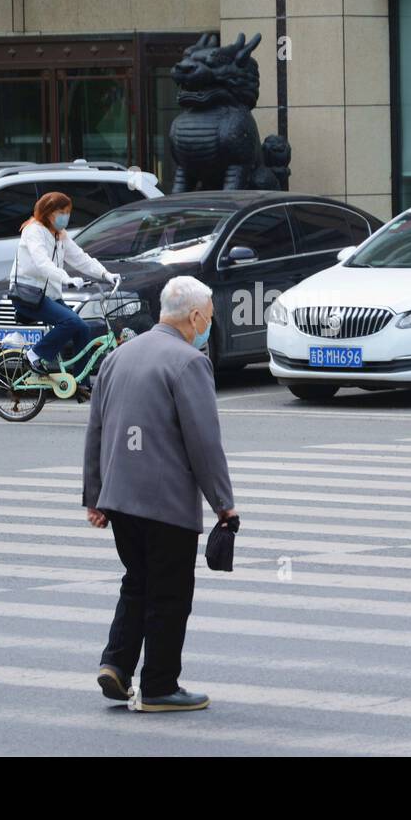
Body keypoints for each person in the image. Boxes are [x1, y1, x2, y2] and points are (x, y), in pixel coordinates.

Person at [83, 275, 237, 712]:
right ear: (193, 317)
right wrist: (224, 505)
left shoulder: (117, 357)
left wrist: (95, 497)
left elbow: (96, 430)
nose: (209, 325)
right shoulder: (188, 362)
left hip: (121, 497)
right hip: (166, 502)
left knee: (138, 581)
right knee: (169, 593)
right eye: (208, 317)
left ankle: (115, 664)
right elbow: (204, 442)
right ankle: (159, 687)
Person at [9, 191, 120, 386]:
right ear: (48, 212)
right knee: (70, 321)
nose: (65, 217)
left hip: (49, 295)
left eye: (68, 212)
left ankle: (80, 383)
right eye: (61, 212)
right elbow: (41, 262)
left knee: (82, 329)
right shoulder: (33, 231)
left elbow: (80, 258)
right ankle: (34, 354)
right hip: (29, 294)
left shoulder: (60, 235)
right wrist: (66, 279)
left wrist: (105, 274)